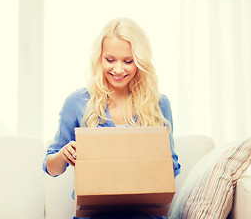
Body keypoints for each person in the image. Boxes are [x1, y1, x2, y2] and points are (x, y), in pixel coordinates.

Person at [42, 18, 181, 219]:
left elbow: (172, 168)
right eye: (110, 60)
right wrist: (63, 155)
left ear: (140, 62)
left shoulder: (159, 105)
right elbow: (51, 169)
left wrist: (155, 163)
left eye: (128, 61)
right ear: (99, 59)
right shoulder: (78, 102)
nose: (118, 69)